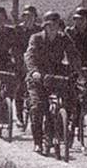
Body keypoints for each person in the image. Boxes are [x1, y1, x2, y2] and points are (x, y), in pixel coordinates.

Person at [24, 11, 82, 153]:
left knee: (73, 99)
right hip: (38, 77)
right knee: (37, 107)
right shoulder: (36, 38)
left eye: (56, 25)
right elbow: (29, 56)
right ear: (44, 26)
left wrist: (77, 71)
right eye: (50, 25)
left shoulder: (64, 38)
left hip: (56, 74)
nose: (53, 28)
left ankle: (65, 127)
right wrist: (34, 72)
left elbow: (73, 55)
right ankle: (38, 141)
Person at [14, 5, 42, 126]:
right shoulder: (17, 30)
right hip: (20, 61)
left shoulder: (39, 30)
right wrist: (20, 61)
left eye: (30, 16)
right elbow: (14, 47)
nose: (28, 19)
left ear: (35, 17)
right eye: (25, 16)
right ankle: (19, 116)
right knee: (20, 88)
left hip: (35, 62)